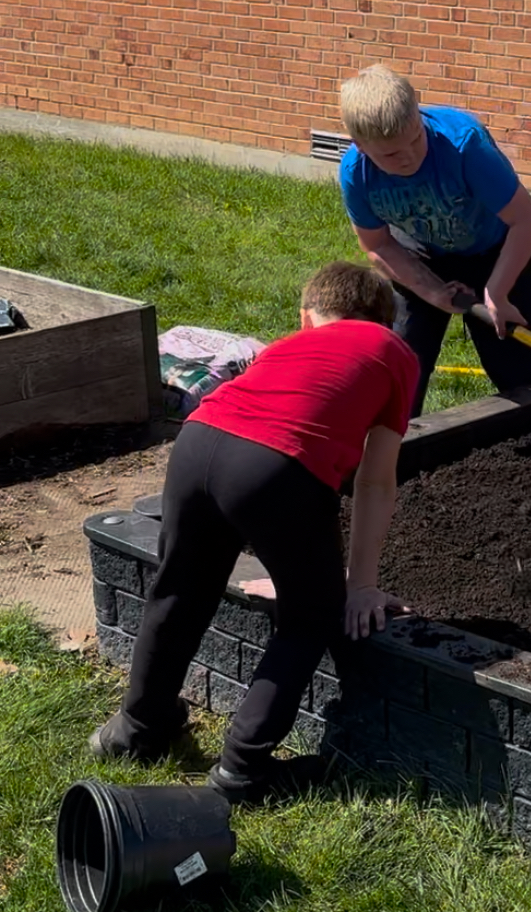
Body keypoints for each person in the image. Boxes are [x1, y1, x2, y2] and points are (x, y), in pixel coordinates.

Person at [88, 262, 420, 802]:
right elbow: (375, 481)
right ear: (387, 321)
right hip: (273, 468)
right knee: (311, 615)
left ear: (306, 317)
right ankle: (241, 772)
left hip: (197, 443)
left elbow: (251, 433)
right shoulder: (393, 352)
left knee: (180, 590)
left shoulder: (285, 347)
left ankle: (136, 729)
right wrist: (356, 586)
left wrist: (283, 559)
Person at [338, 64, 531, 415]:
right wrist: (433, 292)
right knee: (402, 361)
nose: (408, 157)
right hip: (418, 253)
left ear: (419, 115)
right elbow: (377, 245)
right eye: (390, 154)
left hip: (495, 250)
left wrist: (495, 292)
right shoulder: (356, 175)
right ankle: (395, 452)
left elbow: (528, 221)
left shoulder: (463, 145)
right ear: (359, 146)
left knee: (517, 366)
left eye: (416, 139)